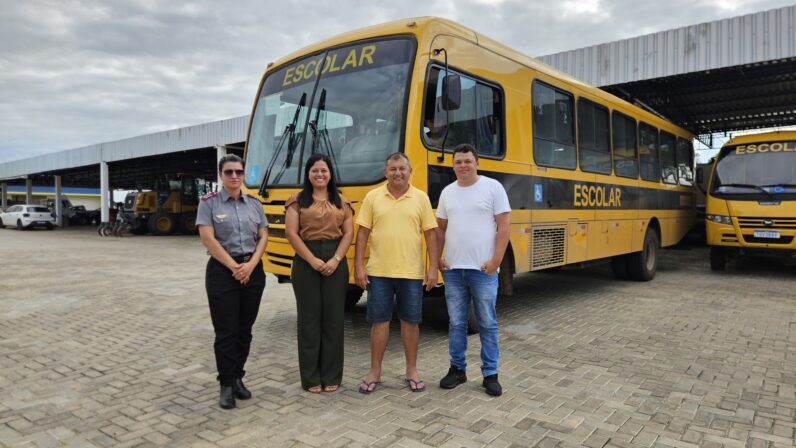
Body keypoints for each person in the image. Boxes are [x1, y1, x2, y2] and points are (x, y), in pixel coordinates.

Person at [354, 152, 438, 394]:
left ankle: (411, 371)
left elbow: (430, 233)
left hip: (411, 273)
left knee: (411, 322)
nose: (397, 173)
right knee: (379, 322)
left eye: (402, 168)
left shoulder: (420, 198)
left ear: (410, 171)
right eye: (393, 169)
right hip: (379, 272)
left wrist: (432, 267)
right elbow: (362, 233)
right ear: (385, 172)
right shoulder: (372, 197)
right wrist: (359, 265)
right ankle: (374, 372)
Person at [436, 144, 510, 396]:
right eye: (458, 162)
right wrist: (437, 257)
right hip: (454, 271)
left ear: (477, 163)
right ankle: (457, 370)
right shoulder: (447, 192)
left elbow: (504, 226)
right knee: (456, 323)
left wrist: (496, 261)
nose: (463, 165)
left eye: (468, 161)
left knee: (487, 324)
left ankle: (490, 375)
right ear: (453, 165)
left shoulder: (493, 187)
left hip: (483, 271)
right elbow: (440, 228)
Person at [197, 154, 268, 409]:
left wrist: (250, 265)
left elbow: (263, 236)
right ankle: (226, 384)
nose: (234, 176)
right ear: (221, 174)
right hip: (222, 272)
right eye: (229, 172)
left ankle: (238, 377)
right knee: (226, 331)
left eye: (238, 172)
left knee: (244, 329)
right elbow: (208, 239)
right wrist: (234, 266)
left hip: (252, 270)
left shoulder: (254, 203)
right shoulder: (209, 203)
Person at [285, 153, 354, 394]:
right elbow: (292, 233)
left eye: (324, 170)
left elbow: (348, 234)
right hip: (306, 261)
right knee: (309, 320)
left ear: (330, 174)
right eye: (315, 171)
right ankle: (311, 377)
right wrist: (313, 260)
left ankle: (332, 374)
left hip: (336, 259)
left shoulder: (341, 202)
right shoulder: (297, 201)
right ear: (308, 174)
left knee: (334, 319)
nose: (320, 174)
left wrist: (336, 259)